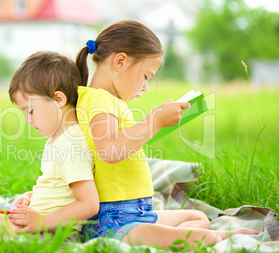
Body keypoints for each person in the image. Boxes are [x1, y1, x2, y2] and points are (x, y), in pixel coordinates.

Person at [75, 20, 259, 248]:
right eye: (146, 77)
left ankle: (163, 239)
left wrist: (154, 125)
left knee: (198, 218)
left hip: (135, 213)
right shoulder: (100, 99)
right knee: (196, 234)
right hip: (115, 221)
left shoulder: (101, 100)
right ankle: (213, 239)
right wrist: (154, 121)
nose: (145, 87)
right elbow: (109, 150)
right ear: (120, 61)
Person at [0, 51, 99, 236]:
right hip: (43, 225)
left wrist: (42, 221)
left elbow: (89, 204)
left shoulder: (71, 145)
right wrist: (30, 197)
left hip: (55, 232)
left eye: (30, 111)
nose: (28, 121)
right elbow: (59, 189)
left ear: (58, 99)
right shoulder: (59, 140)